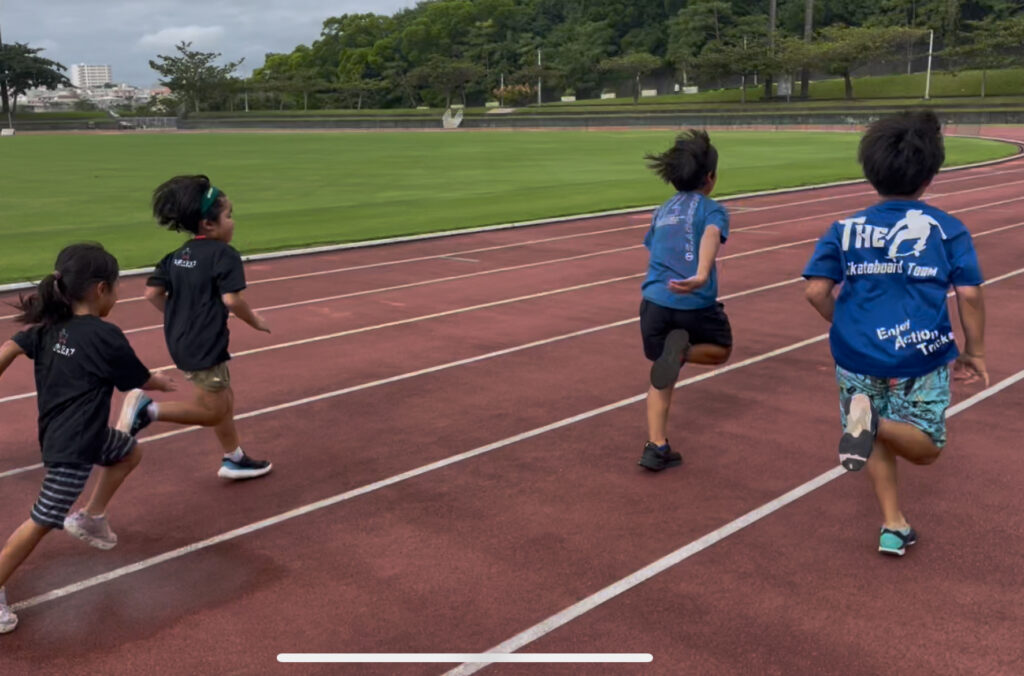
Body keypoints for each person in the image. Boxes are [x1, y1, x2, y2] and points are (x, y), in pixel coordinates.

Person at [803, 110, 988, 556]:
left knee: (871, 433)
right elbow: (970, 295)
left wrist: (845, 323)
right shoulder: (948, 229)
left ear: (870, 171)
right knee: (927, 447)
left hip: (856, 356)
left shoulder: (843, 229)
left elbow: (815, 291)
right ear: (931, 175)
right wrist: (975, 351)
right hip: (918, 357)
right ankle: (874, 432)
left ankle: (893, 523)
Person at [0, 243, 173, 633]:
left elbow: (9, 347)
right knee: (43, 519)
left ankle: (92, 517)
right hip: (73, 448)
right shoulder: (105, 335)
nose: (117, 295)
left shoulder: (47, 330)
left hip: (81, 435)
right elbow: (137, 378)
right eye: (116, 287)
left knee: (127, 452)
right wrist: (159, 382)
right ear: (99, 289)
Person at [121, 175, 273, 480]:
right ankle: (147, 411)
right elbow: (232, 300)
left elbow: (151, 293)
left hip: (180, 340)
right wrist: (255, 320)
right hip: (205, 345)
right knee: (214, 410)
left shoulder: (176, 256)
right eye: (229, 216)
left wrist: (178, 316)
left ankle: (234, 457)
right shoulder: (224, 255)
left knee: (223, 397)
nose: (232, 222)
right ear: (209, 225)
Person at [638, 130, 733, 472]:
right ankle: (682, 352)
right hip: (694, 302)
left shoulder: (661, 210)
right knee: (720, 351)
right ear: (710, 178)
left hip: (654, 302)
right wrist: (702, 272)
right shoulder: (713, 209)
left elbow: (656, 246)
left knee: (662, 376)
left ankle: (656, 446)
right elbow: (710, 235)